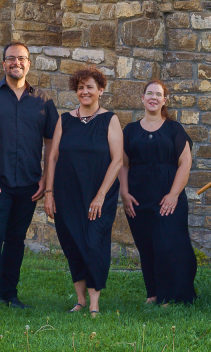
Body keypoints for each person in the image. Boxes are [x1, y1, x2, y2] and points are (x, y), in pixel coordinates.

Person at [0, 41, 59, 312]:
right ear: (4, 63)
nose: (16, 63)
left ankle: (10, 294)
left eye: (21, 59)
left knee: (16, 240)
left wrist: (45, 178)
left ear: (29, 63)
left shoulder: (43, 100)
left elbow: (51, 142)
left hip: (29, 184)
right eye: (11, 59)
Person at [43, 67, 123, 317]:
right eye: (80, 87)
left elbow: (118, 159)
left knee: (94, 243)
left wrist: (100, 195)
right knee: (72, 244)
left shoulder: (109, 120)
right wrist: (49, 192)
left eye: (90, 87)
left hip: (98, 195)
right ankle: (79, 301)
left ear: (100, 90)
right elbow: (53, 157)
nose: (84, 91)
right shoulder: (64, 119)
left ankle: (95, 303)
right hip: (67, 194)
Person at [120, 79, 196, 305]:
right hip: (138, 198)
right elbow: (122, 164)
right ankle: (153, 294)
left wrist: (173, 194)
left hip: (168, 198)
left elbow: (185, 163)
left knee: (169, 245)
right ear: (142, 98)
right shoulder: (130, 130)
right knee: (147, 246)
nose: (153, 97)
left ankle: (173, 295)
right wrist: (124, 193)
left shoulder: (174, 129)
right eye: (149, 93)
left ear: (165, 100)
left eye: (158, 94)